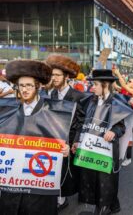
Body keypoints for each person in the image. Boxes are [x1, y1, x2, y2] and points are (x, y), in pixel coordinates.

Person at [0, 59, 71, 215]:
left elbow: (62, 140)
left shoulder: (55, 111)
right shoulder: (6, 110)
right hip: (11, 186)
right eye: (21, 85)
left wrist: (66, 151)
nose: (24, 90)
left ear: (38, 86)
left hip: (39, 188)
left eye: (29, 85)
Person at [72, 69, 131, 215]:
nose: (92, 87)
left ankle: (103, 208)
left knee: (106, 181)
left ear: (105, 85)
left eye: (96, 84)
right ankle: (112, 205)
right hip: (89, 148)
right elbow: (80, 124)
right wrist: (76, 141)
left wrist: (114, 132)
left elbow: (122, 127)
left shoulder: (117, 103)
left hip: (107, 150)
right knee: (93, 179)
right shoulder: (87, 101)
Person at [46, 54, 86, 210]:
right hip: (54, 140)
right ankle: (58, 197)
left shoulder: (78, 96)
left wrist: (75, 141)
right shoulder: (51, 95)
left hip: (70, 140)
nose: (54, 78)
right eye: (52, 75)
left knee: (68, 171)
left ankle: (62, 199)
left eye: (57, 75)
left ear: (67, 76)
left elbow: (81, 122)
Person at [112, 68, 133, 166]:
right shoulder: (123, 89)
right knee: (120, 136)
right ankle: (120, 155)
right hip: (120, 116)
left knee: (129, 138)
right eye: (128, 80)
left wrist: (118, 73)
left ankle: (128, 158)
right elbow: (114, 85)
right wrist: (113, 75)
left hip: (129, 117)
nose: (128, 82)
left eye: (130, 81)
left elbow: (122, 84)